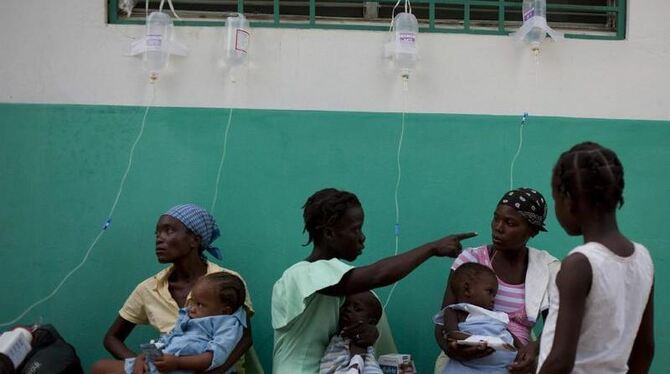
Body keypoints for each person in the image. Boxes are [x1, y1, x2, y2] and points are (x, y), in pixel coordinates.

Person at [272, 188, 477, 373]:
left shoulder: (341, 285)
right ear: (329, 233)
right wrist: (432, 248)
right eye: (355, 229)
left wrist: (368, 335)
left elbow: (342, 338)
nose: (362, 237)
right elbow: (377, 275)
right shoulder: (299, 276)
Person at [97, 204, 258, 373]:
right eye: (157, 233)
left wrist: (214, 372)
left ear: (195, 239)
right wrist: (141, 361)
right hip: (168, 365)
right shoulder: (148, 288)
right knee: (99, 368)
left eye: (169, 231)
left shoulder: (225, 282)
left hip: (214, 368)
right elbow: (112, 338)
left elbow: (245, 338)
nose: (159, 238)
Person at [537, 142, 654, 373]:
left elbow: (560, 361)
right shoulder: (643, 257)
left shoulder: (580, 263)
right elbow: (645, 349)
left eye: (555, 198)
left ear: (568, 200)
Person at [434, 187, 560, 374]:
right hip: (463, 358)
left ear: (532, 231)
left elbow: (556, 323)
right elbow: (443, 320)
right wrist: (453, 350)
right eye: (496, 218)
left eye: (509, 222)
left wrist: (534, 349)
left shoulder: (546, 267)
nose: (498, 227)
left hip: (516, 361)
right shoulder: (470, 260)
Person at [92, 272, 247, 374]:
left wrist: (178, 363)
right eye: (192, 301)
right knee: (99, 368)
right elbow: (168, 338)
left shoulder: (228, 323)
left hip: (182, 368)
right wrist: (143, 357)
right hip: (161, 361)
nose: (191, 308)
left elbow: (215, 357)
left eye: (200, 305)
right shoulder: (189, 316)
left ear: (225, 310)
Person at [433, 262, 517, 373]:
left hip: (499, 369)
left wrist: (521, 349)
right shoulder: (455, 311)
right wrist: (478, 340)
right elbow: (452, 334)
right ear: (467, 290)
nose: (493, 299)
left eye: (494, 295)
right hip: (469, 366)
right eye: (489, 292)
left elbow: (509, 333)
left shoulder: (495, 314)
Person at [319, 291, 384, 374]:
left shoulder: (358, 339)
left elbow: (358, 363)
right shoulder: (340, 337)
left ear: (371, 323)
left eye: (357, 309)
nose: (348, 309)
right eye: (345, 305)